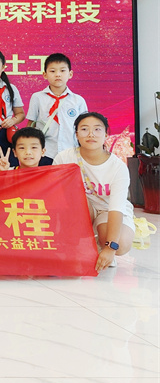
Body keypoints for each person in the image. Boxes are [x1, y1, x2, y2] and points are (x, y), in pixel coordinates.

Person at [54, 112, 135, 272]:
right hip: (81, 208)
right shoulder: (64, 158)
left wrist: (110, 248)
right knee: (74, 197)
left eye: (97, 129)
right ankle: (75, 245)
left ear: (106, 134)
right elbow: (56, 195)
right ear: (76, 134)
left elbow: (116, 209)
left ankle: (101, 244)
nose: (91, 134)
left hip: (108, 210)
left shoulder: (117, 167)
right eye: (84, 129)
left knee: (121, 244)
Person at [26, 53, 87, 161]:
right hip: (44, 152)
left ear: (70, 74)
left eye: (62, 71)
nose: (58, 74)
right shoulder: (37, 97)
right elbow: (31, 124)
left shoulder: (78, 100)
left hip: (71, 152)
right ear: (45, 74)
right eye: (53, 71)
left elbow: (84, 127)